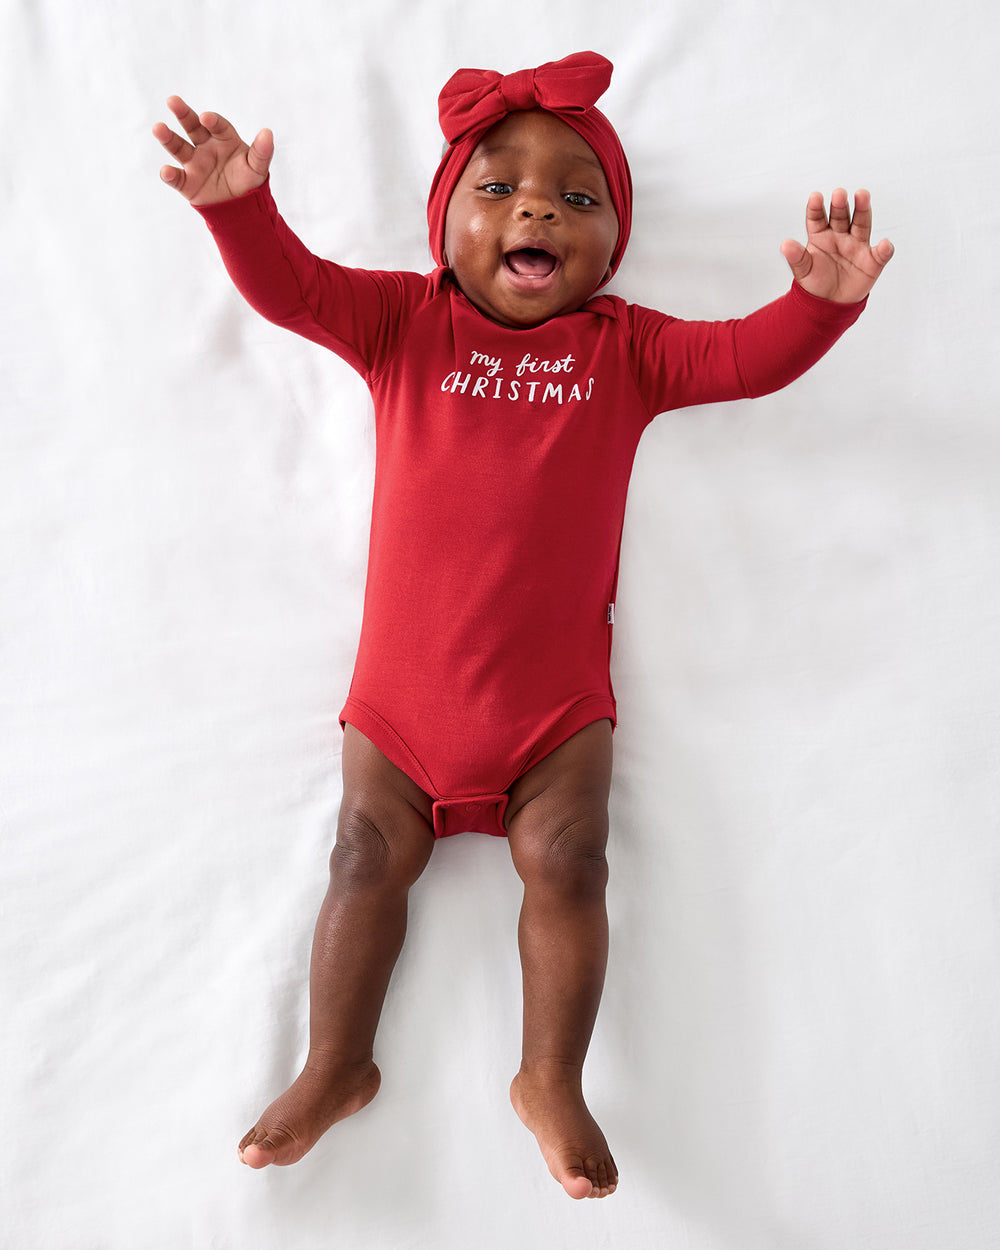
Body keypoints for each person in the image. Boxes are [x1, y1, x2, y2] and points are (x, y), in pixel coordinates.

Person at [153, 51, 892, 1200]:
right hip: (401, 707)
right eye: (496, 188)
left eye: (574, 197)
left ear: (609, 246)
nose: (536, 205)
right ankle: (336, 1063)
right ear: (443, 224)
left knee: (572, 859)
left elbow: (746, 359)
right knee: (360, 855)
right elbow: (293, 289)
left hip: (554, 715)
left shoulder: (628, 349)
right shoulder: (404, 323)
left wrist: (820, 305)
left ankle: (550, 1075)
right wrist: (241, 212)